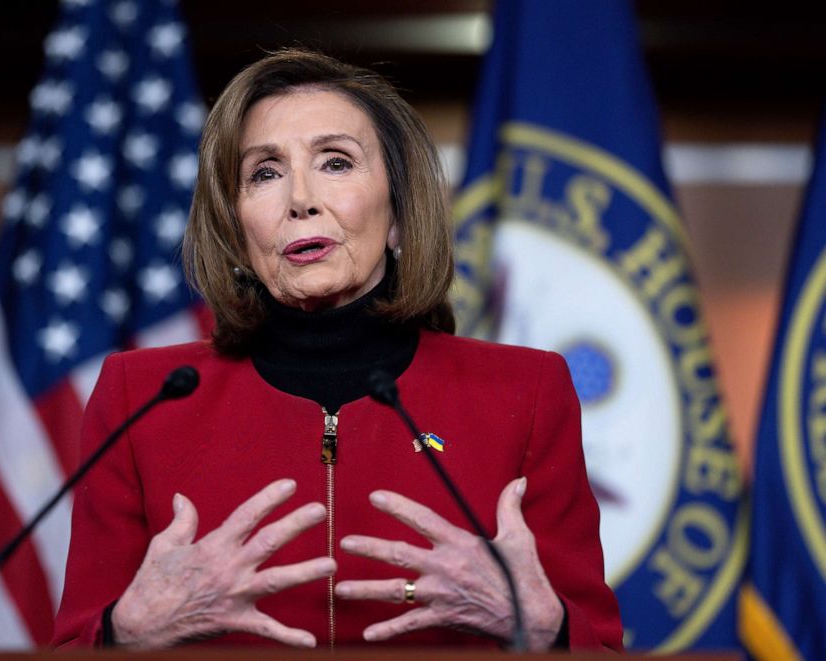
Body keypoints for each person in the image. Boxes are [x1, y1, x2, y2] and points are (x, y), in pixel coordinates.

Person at [52, 48, 622, 651]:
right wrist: (125, 635)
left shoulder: (524, 392)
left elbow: (602, 648)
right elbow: (71, 646)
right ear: (238, 227)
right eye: (264, 173)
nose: (300, 198)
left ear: (399, 214)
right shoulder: (140, 397)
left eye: (335, 163)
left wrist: (545, 630)